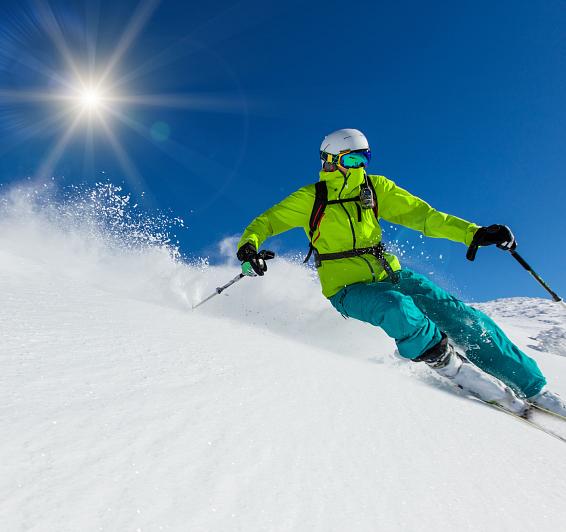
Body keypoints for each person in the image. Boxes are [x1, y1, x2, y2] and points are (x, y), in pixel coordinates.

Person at [236, 128, 566, 417]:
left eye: (365, 158)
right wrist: (248, 248)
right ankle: (448, 365)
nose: (360, 166)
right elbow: (266, 222)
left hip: (391, 274)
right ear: (331, 160)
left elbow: (424, 216)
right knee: (396, 308)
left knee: (467, 320)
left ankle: (534, 390)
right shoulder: (311, 199)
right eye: (352, 160)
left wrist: (474, 233)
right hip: (347, 288)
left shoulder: (375, 189)